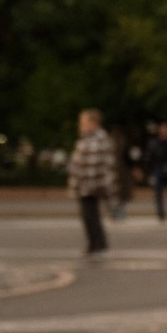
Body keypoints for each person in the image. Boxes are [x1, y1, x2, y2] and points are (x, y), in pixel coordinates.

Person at [67, 108, 118, 258]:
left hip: (91, 184)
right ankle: (98, 243)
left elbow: (97, 165)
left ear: (93, 123)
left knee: (90, 215)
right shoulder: (87, 140)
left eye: (84, 122)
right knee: (89, 215)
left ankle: (96, 243)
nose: (81, 125)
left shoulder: (97, 140)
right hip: (85, 184)